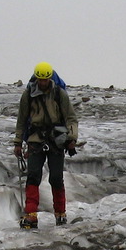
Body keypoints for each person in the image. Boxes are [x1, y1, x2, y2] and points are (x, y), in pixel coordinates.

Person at [13, 63, 77, 228]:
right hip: (36, 139)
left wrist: (71, 139)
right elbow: (21, 120)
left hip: (57, 140)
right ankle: (31, 214)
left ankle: (61, 214)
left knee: (56, 177)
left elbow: (70, 117)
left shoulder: (59, 94)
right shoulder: (28, 95)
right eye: (40, 80)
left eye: (45, 79)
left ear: (50, 78)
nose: (43, 83)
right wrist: (18, 142)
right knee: (33, 175)